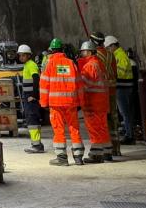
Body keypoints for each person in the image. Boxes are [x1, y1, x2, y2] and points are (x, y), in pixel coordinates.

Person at [40, 37, 85, 166]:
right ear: (61, 50)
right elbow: (79, 84)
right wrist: (81, 102)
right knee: (74, 128)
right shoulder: (71, 63)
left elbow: (44, 85)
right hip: (71, 102)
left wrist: (43, 103)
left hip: (56, 104)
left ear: (51, 50)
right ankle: (78, 157)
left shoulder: (48, 63)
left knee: (58, 129)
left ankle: (62, 158)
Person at [78, 41, 111, 163]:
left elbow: (84, 85)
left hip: (92, 102)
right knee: (102, 127)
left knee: (94, 128)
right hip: (102, 102)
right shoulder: (99, 64)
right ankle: (107, 151)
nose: (82, 54)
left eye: (83, 52)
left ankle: (96, 154)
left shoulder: (89, 66)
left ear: (89, 52)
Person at [93, 32, 119, 159]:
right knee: (113, 119)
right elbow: (115, 72)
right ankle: (115, 148)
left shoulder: (95, 57)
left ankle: (105, 148)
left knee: (102, 120)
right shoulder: (110, 54)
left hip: (101, 93)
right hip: (112, 91)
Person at [106, 35, 135, 144]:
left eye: (109, 47)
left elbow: (121, 72)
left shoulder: (120, 55)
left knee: (125, 112)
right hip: (123, 87)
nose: (108, 50)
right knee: (124, 112)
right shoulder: (117, 55)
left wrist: (111, 75)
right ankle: (128, 132)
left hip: (123, 87)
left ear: (113, 45)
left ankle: (129, 136)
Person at [18, 44, 45, 153]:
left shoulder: (31, 65)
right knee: (34, 120)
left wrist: (33, 96)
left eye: (23, 55)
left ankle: (36, 145)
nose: (21, 58)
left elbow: (36, 79)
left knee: (32, 120)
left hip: (31, 97)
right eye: (20, 55)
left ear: (28, 55)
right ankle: (37, 143)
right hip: (29, 96)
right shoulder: (27, 65)